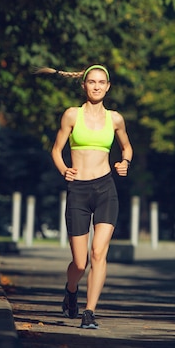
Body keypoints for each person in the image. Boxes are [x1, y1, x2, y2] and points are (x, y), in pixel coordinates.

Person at [37, 64, 133, 329]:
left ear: (108, 86)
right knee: (80, 262)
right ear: (84, 85)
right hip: (78, 190)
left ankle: (89, 312)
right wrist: (64, 169)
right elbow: (56, 150)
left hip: (105, 189)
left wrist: (124, 162)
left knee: (98, 253)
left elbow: (127, 147)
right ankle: (70, 290)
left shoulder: (115, 119)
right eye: (92, 82)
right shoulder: (71, 115)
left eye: (102, 82)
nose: (97, 86)